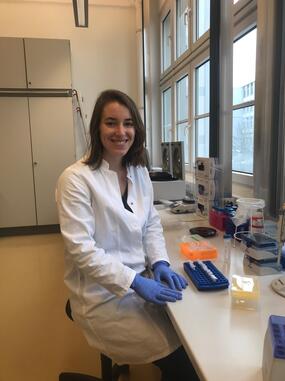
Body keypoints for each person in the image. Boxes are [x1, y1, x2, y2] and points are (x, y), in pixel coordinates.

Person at [56, 89, 199, 381]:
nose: (121, 131)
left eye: (128, 123)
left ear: (137, 128)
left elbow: (150, 223)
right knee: (184, 362)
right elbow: (82, 251)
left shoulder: (138, 171)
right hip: (102, 297)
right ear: (97, 127)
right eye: (111, 122)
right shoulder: (76, 179)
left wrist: (159, 262)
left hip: (140, 282)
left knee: (190, 336)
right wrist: (134, 282)